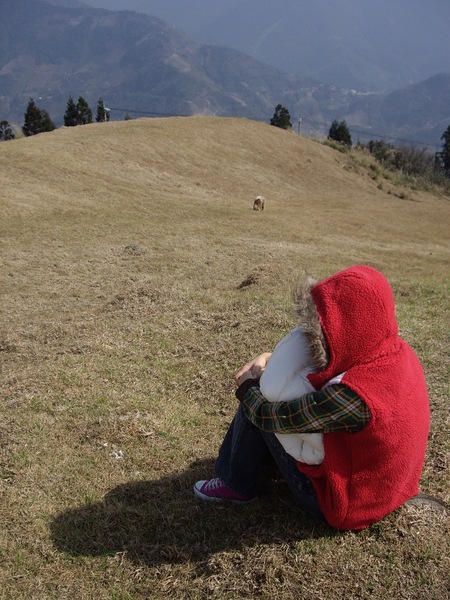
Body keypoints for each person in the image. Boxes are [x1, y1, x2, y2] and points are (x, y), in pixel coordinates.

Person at [193, 265, 430, 530]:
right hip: (390, 488)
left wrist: (248, 388)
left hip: (349, 505)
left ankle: (234, 483)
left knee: (259, 399)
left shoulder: (353, 397)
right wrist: (269, 358)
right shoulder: (397, 353)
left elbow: (274, 417)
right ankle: (264, 464)